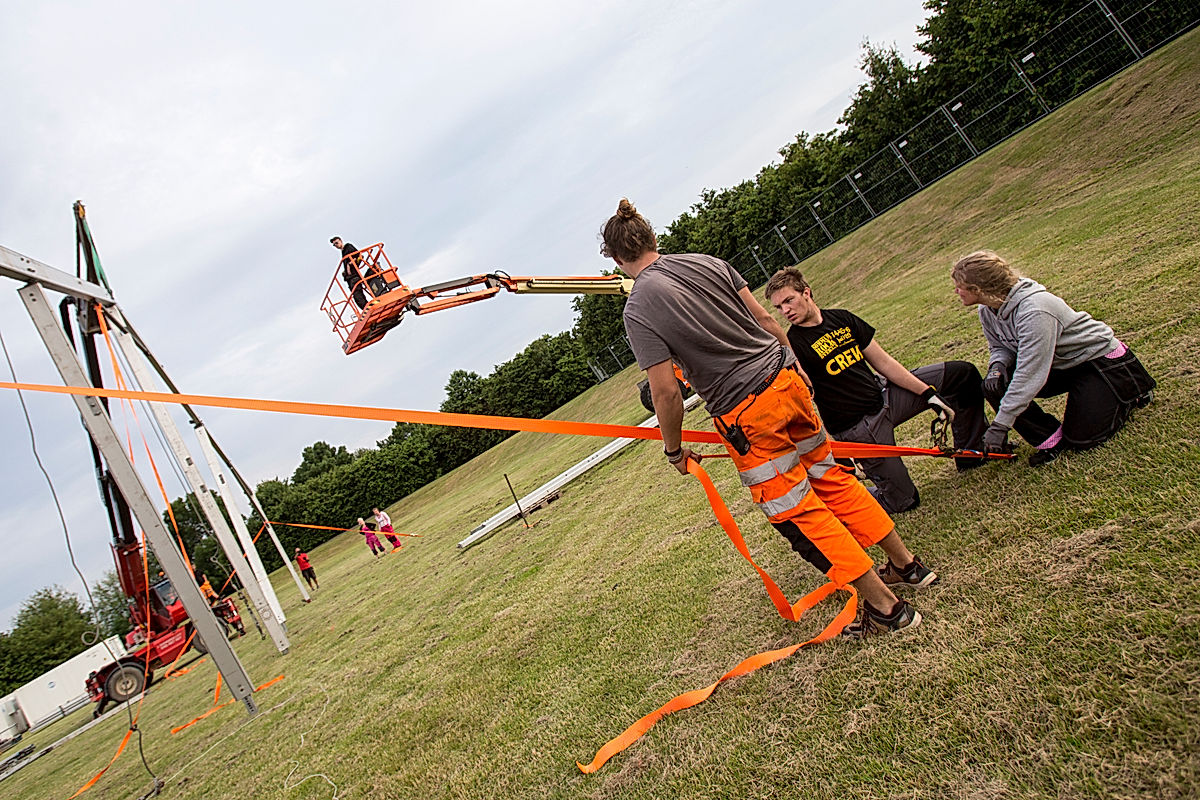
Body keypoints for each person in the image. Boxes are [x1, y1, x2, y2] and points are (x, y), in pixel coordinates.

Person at [603, 198, 936, 639]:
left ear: (615, 258)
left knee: (802, 509)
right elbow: (763, 318)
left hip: (747, 414)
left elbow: (665, 391)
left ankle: (886, 608)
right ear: (652, 237)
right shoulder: (709, 262)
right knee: (834, 478)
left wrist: (673, 448)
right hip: (786, 383)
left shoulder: (638, 308)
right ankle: (907, 565)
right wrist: (793, 363)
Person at [764, 267, 989, 515]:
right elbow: (807, 405)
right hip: (859, 428)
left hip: (885, 397)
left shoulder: (842, 318)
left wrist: (928, 394)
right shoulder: (794, 345)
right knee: (904, 501)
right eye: (778, 307)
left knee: (961, 374)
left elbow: (884, 363)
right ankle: (841, 500)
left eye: (789, 300)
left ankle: (971, 453)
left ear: (806, 293)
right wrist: (837, 452)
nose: (785, 311)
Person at [951, 251, 1155, 466]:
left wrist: (1001, 425)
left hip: (1098, 362)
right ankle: (1050, 441)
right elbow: (1000, 346)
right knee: (994, 385)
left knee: (1083, 440)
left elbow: (1030, 374)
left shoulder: (1035, 311)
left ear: (978, 289)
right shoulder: (987, 309)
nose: (956, 291)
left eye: (960, 286)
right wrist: (998, 365)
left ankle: (1131, 390)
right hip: (1060, 365)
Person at [331, 236, 388, 309]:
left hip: (354, 276)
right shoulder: (343, 252)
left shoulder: (348, 247)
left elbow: (359, 256)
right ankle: (367, 308)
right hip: (350, 277)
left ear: (341, 241)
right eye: (334, 244)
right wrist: (345, 270)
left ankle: (367, 308)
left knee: (357, 294)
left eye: (336, 243)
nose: (336, 245)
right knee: (356, 295)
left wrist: (351, 263)